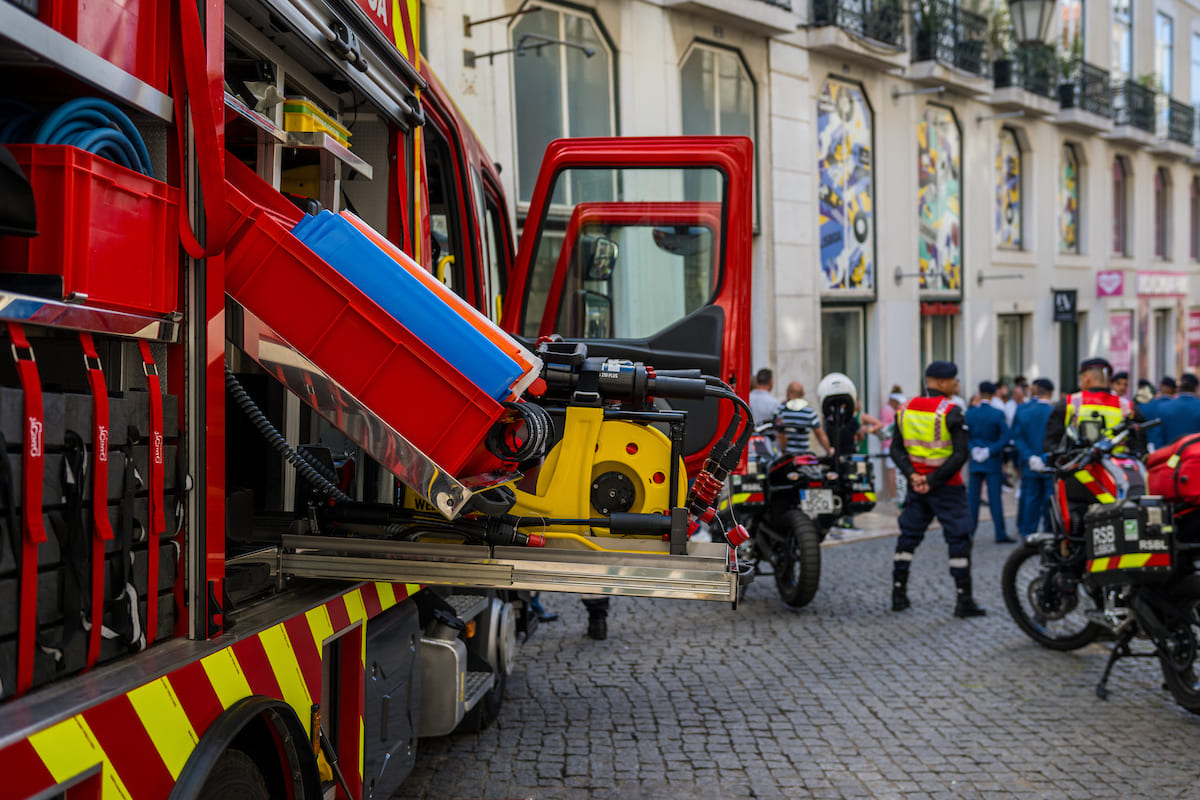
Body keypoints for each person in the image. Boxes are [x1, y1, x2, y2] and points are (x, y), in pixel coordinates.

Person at [889, 360, 986, 618]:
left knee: (908, 537)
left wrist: (913, 475)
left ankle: (898, 593)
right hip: (947, 488)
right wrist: (932, 480)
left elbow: (895, 449)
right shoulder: (951, 411)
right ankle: (963, 600)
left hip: (916, 486)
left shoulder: (905, 409)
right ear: (942, 383)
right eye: (954, 380)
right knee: (959, 538)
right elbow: (960, 454)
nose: (957, 384)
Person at [1044, 358, 1144, 537]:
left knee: (1074, 528)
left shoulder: (1069, 403)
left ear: (1087, 378)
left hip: (1079, 479)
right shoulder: (1127, 407)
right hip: (1118, 479)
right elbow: (1140, 447)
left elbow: (1051, 443)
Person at [965, 382, 1014, 544]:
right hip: (992, 460)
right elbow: (1005, 437)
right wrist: (990, 450)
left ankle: (969, 533)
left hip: (976, 458)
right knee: (995, 499)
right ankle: (1000, 533)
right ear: (994, 394)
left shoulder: (970, 413)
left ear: (979, 392)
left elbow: (966, 437)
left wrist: (974, 449)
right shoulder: (997, 413)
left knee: (973, 498)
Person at [1011, 378, 1055, 539]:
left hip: (1030, 462)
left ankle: (1028, 534)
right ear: (1051, 392)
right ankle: (1050, 534)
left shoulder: (1022, 410)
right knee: (1050, 500)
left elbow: (1016, 437)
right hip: (1049, 462)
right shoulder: (1054, 410)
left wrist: (1029, 457)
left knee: (1031, 499)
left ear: (1035, 390)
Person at [775, 381, 832, 455]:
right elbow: (820, 435)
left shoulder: (780, 410)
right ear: (802, 395)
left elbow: (780, 434)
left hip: (786, 457)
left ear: (787, 393)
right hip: (803, 456)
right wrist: (829, 451)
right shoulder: (809, 412)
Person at [1158, 372, 1200, 445]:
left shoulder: (1163, 407)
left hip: (1169, 454)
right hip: (1195, 455)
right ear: (1196, 388)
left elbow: (1157, 438)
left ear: (1179, 387)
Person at [879, 387, 905, 500]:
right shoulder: (886, 410)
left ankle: (898, 495)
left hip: (896, 444)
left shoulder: (895, 410)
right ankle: (894, 495)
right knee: (891, 471)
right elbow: (886, 429)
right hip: (889, 444)